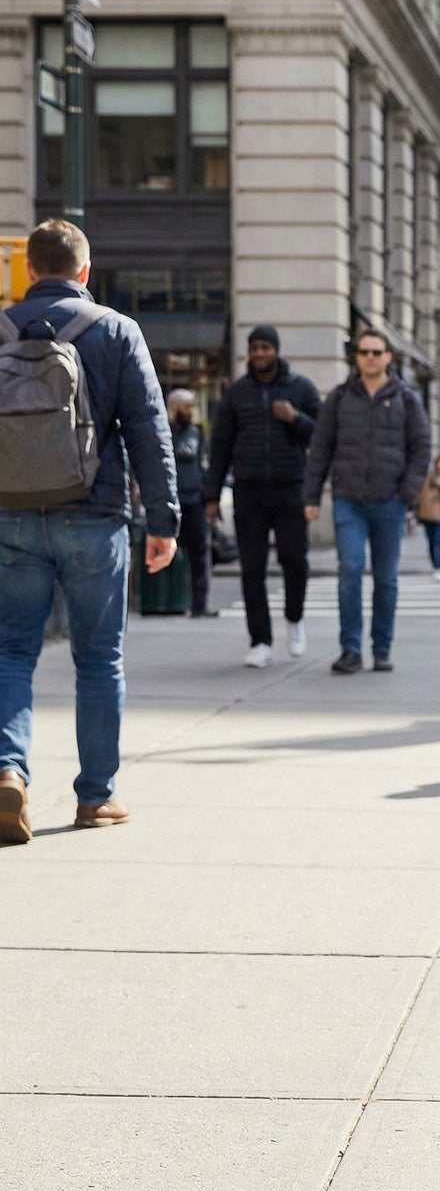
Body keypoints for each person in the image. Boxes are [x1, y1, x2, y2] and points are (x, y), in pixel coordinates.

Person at [0, 219, 178, 842]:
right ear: (85, 271)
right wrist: (164, 521)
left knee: (11, 651)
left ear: (28, 270)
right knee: (98, 658)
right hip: (95, 514)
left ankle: (7, 770)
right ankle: (95, 796)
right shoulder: (117, 330)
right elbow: (149, 431)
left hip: (11, 516)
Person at [303, 331, 430, 674]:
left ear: (389, 356)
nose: (370, 357)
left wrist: (407, 493)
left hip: (390, 502)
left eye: (376, 352)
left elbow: (421, 450)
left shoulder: (407, 398)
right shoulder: (340, 398)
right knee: (351, 570)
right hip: (349, 500)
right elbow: (321, 450)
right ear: (356, 357)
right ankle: (351, 649)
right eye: (364, 352)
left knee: (386, 578)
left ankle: (383, 648)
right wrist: (311, 496)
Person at [205, 326, 320, 668]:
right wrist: (212, 496)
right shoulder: (236, 393)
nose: (259, 353)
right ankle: (260, 641)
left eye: (265, 347)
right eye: (254, 348)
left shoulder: (300, 388)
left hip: (290, 488)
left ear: (276, 351)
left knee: (294, 561)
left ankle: (295, 619)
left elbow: (323, 433)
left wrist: (295, 418)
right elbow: (221, 445)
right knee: (252, 568)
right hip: (249, 491)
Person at [167, 389, 217, 617]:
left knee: (199, 554)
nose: (189, 411)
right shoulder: (164, 431)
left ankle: (199, 605)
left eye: (191, 407)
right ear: (174, 407)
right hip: (171, 502)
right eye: (185, 406)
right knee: (170, 554)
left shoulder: (197, 434)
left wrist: (209, 498)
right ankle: (171, 603)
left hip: (194, 501)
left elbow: (203, 465)